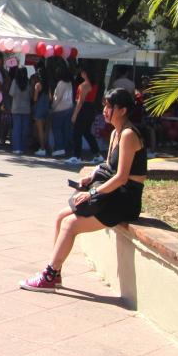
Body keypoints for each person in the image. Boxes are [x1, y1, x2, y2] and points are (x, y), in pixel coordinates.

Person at [20, 88, 147, 291]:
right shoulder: (116, 132)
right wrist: (92, 175)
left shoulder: (129, 135)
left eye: (109, 106)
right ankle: (56, 273)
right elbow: (108, 166)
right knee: (61, 216)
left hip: (125, 200)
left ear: (122, 110)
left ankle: (50, 275)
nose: (104, 110)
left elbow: (122, 177)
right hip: (114, 195)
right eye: (104, 105)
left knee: (70, 224)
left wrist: (93, 193)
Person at [66, 67, 103, 165]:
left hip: (83, 109)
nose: (81, 73)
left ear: (86, 73)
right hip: (91, 108)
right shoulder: (94, 85)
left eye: (82, 72)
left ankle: (76, 156)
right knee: (87, 133)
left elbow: (80, 101)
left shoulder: (83, 85)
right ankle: (97, 154)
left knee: (77, 134)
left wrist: (74, 115)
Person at [50, 66, 74, 157]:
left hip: (60, 110)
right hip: (69, 108)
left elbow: (57, 98)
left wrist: (52, 107)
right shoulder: (69, 83)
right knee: (66, 130)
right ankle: (67, 148)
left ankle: (59, 148)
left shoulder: (60, 83)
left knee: (56, 129)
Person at [9, 67, 32, 155]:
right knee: (24, 129)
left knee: (16, 129)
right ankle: (23, 147)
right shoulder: (28, 82)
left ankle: (16, 148)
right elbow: (30, 95)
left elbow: (11, 93)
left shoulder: (15, 81)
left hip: (16, 108)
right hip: (26, 109)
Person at [32, 64, 51, 156]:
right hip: (46, 107)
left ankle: (42, 148)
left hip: (39, 107)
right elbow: (51, 98)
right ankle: (45, 147)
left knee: (39, 130)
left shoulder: (38, 85)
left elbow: (35, 98)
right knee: (45, 129)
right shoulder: (48, 85)